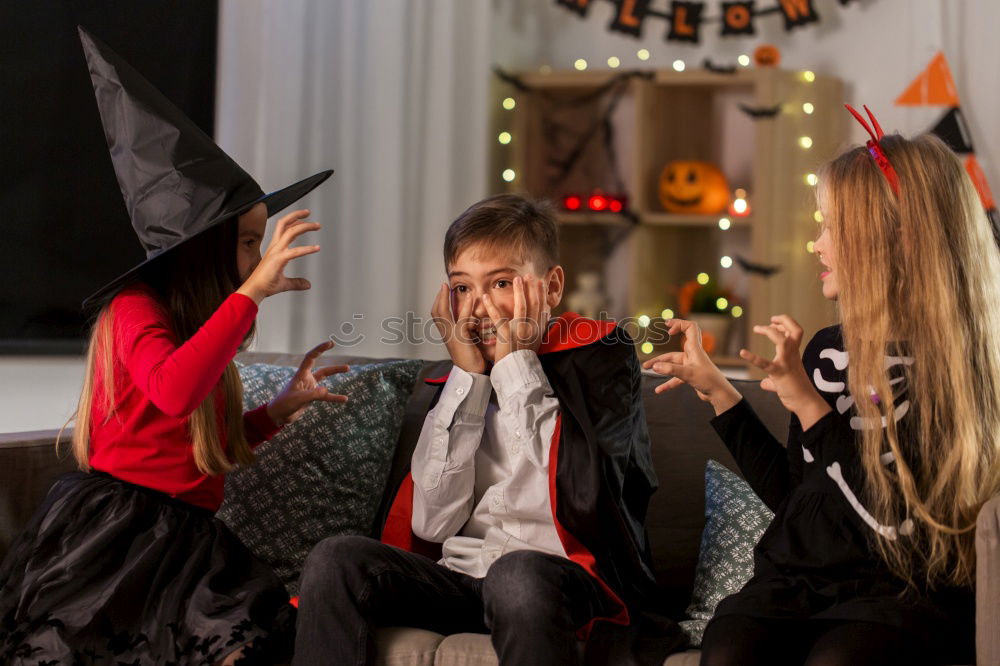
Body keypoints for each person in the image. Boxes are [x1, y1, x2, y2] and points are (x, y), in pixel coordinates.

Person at [0, 28, 341, 665]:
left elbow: (194, 438)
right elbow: (172, 389)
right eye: (247, 243)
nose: (257, 258)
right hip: (120, 533)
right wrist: (252, 296)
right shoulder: (135, 311)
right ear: (205, 253)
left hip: (187, 537)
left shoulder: (200, 333)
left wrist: (278, 411)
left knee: (258, 637)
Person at [645, 107, 1000, 665]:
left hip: (900, 588)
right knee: (730, 646)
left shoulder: (956, 366)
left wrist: (809, 404)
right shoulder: (826, 351)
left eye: (831, 226)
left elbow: (895, 521)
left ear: (895, 242)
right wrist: (720, 393)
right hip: (800, 585)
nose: (816, 245)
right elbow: (799, 501)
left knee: (841, 658)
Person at [293, 194, 679, 666]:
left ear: (552, 287)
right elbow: (431, 524)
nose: (479, 309)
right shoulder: (458, 379)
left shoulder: (603, 359)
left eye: (500, 283)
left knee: (515, 574)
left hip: (563, 580)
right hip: (463, 578)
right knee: (336, 559)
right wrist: (471, 381)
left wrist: (517, 367)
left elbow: (587, 497)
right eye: (462, 288)